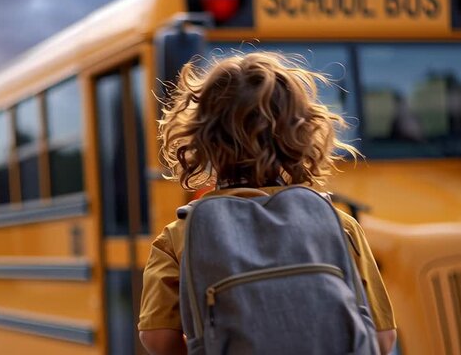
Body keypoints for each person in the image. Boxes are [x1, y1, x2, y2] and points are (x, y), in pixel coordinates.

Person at [138, 52, 397, 354]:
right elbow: (383, 336)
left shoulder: (181, 235)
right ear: (301, 133)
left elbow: (156, 337)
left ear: (201, 138)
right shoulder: (339, 225)